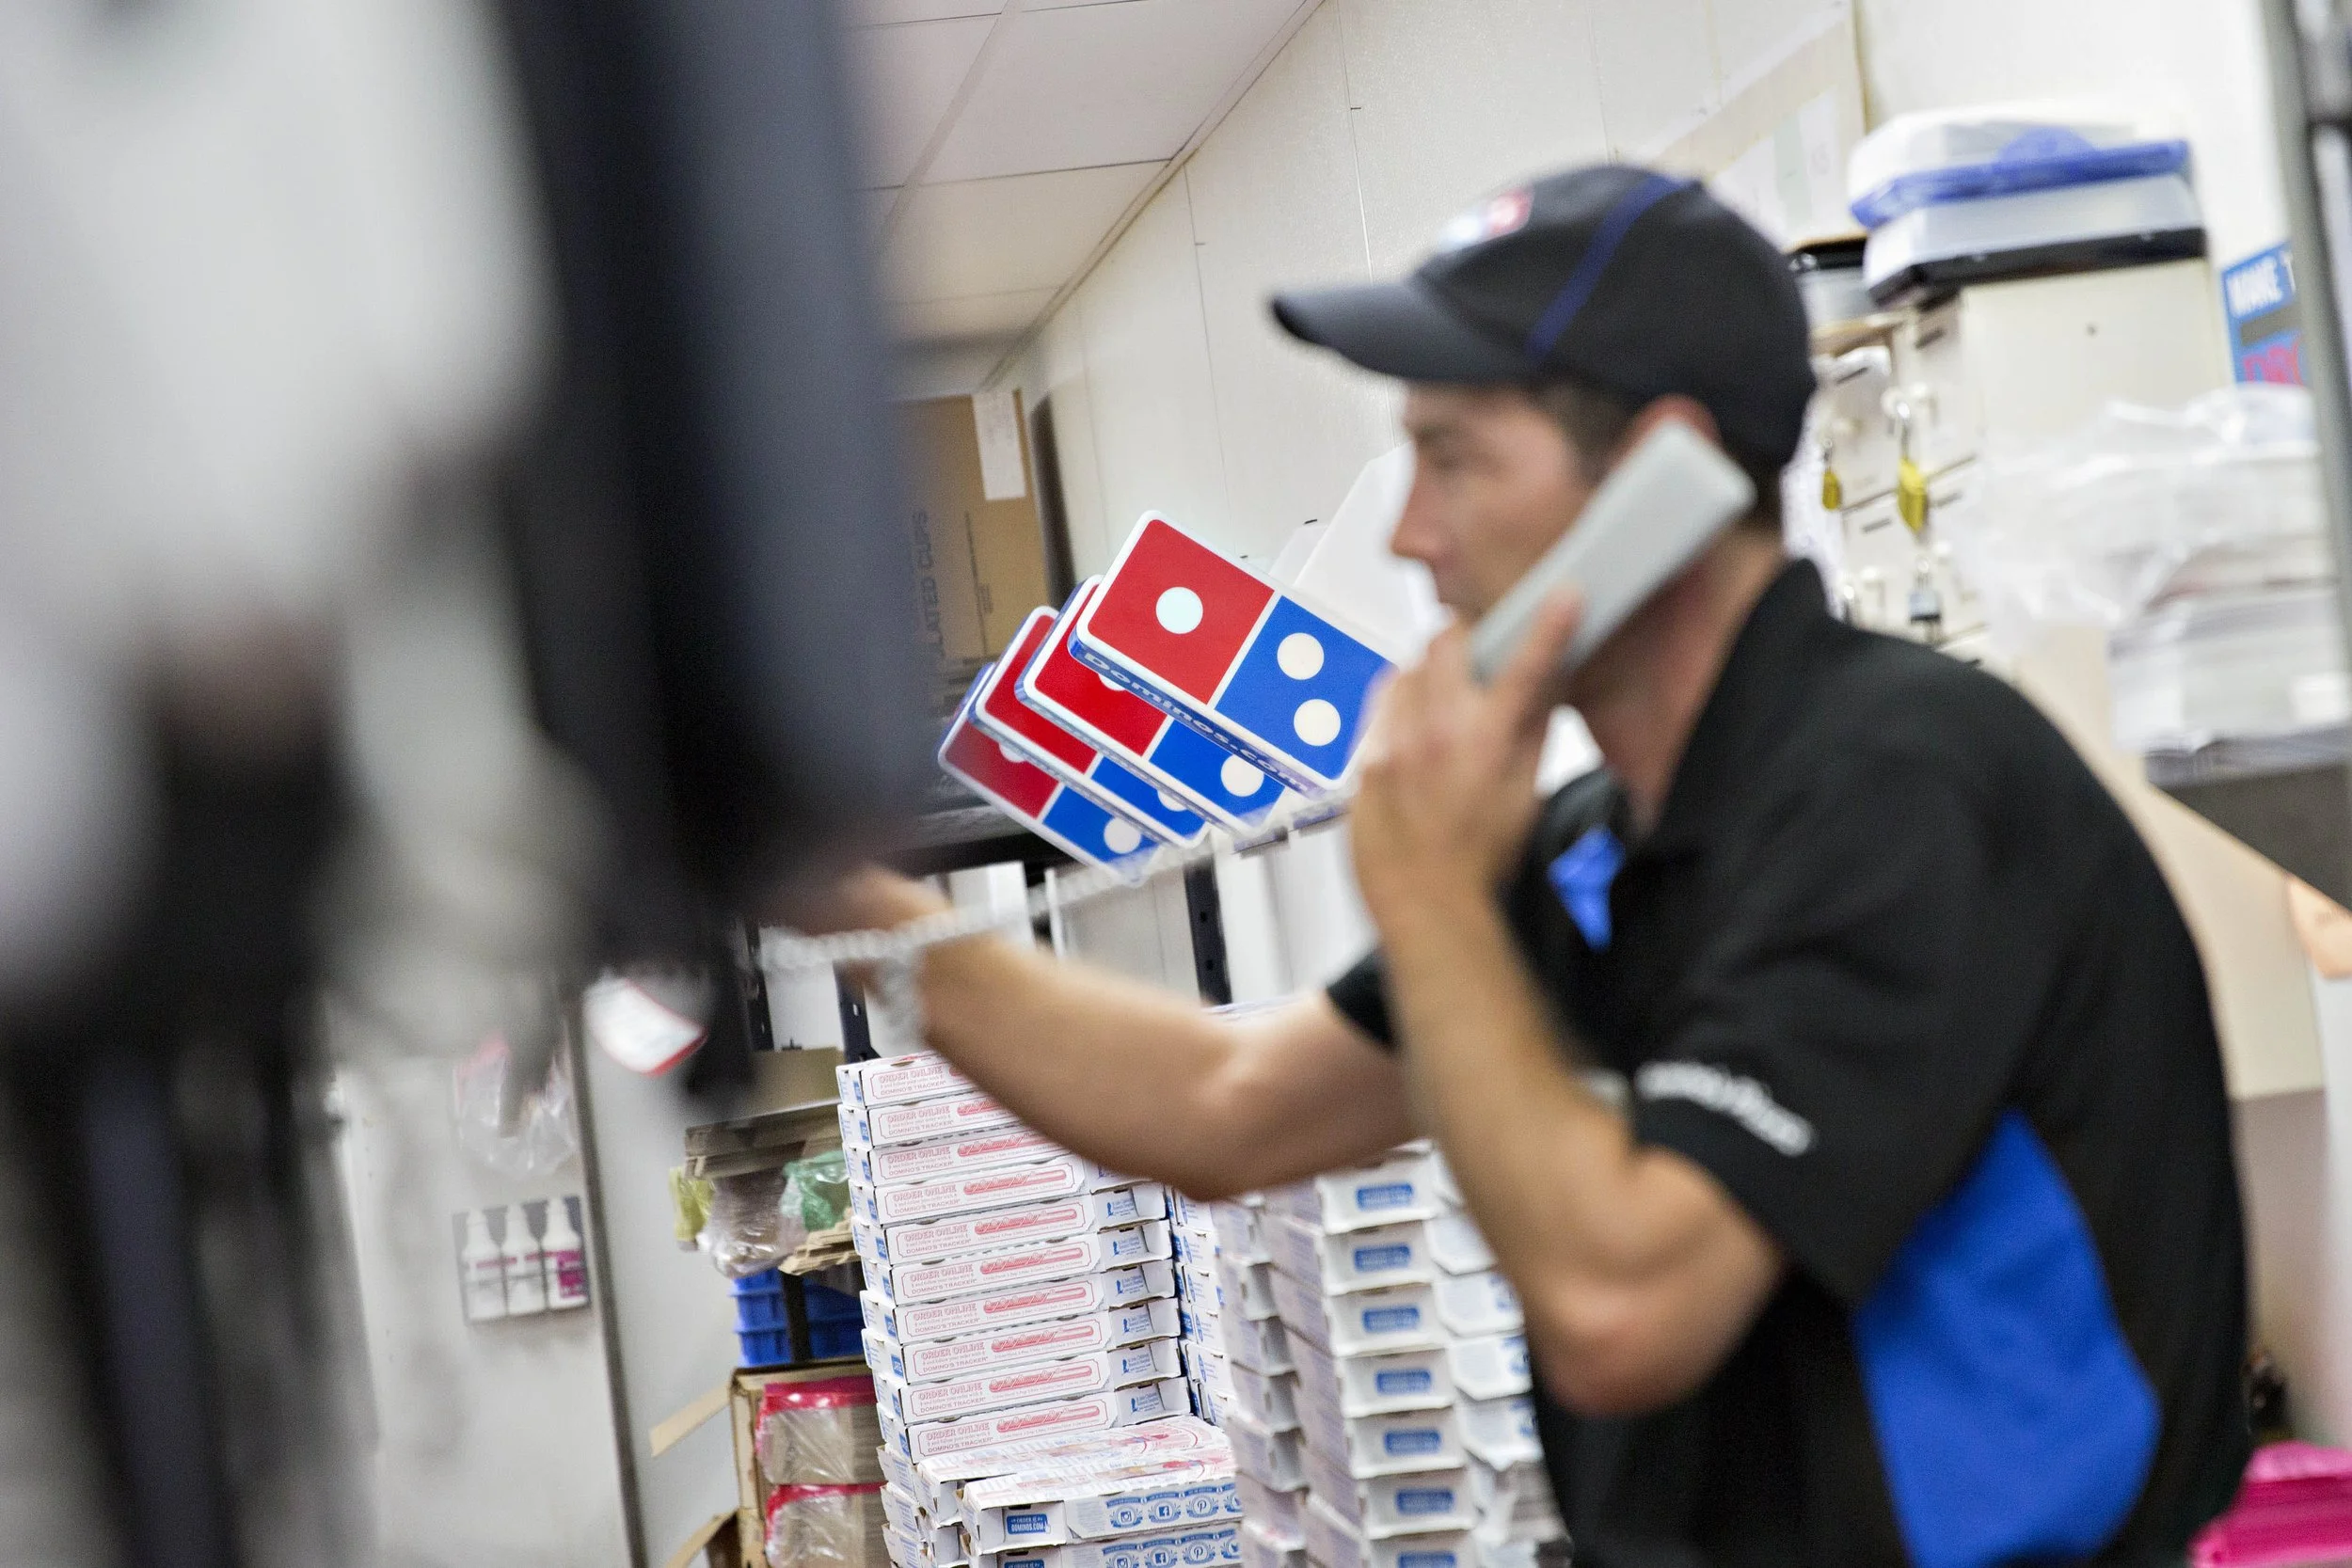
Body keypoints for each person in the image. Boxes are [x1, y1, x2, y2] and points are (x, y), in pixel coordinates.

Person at [821, 166, 2249, 1565]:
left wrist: (1435, 894)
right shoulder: (1603, 842)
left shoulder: (1896, 790)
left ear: (1663, 484)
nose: (1407, 534)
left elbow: (1622, 1308)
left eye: (1454, 460)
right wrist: (848, 909)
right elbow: (1221, 1107)